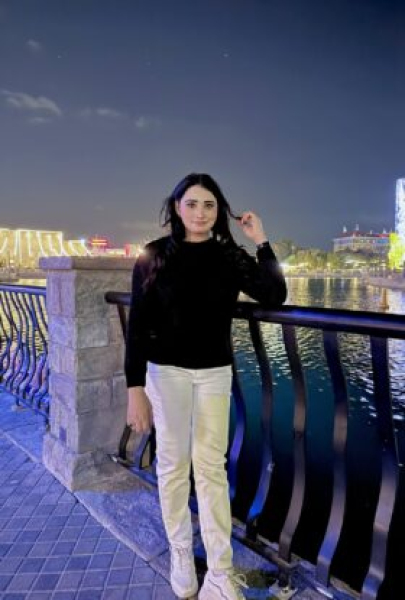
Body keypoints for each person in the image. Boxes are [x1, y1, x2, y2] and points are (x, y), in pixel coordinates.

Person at [125, 173, 287, 599]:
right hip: (166, 374)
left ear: (219, 212)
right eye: (192, 204)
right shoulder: (153, 256)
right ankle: (181, 554)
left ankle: (220, 571)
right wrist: (134, 389)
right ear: (177, 207)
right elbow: (137, 327)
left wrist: (261, 240)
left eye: (209, 205)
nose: (200, 213)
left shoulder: (229, 256)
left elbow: (274, 294)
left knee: (212, 468)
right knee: (173, 465)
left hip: (214, 372)